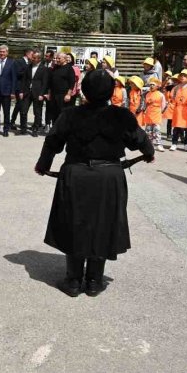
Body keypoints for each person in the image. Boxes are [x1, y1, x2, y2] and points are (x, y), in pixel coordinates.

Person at [35, 70, 156, 297]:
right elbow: (140, 139)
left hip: (76, 174)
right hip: (108, 176)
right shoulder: (121, 115)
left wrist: (43, 165)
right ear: (110, 92)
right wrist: (148, 153)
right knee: (104, 223)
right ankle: (94, 280)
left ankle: (73, 281)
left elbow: (53, 142)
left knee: (74, 222)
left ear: (84, 91)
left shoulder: (70, 115)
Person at [46, 52, 76, 131]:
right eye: (57, 58)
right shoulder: (55, 67)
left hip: (63, 95)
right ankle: (55, 130)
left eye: (59, 58)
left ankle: (63, 130)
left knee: (62, 114)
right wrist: (49, 94)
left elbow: (72, 83)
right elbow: (50, 82)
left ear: (64, 59)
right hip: (54, 95)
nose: (57, 60)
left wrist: (68, 94)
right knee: (54, 113)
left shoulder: (69, 68)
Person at [169, 70, 187, 151]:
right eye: (182, 75)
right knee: (176, 127)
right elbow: (172, 97)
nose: (183, 77)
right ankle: (174, 143)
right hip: (178, 109)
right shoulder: (176, 87)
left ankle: (186, 143)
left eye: (185, 76)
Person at [10, 48, 34, 132]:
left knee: (21, 105)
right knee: (19, 104)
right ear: (27, 54)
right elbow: (17, 73)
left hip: (26, 88)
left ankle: (21, 123)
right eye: (32, 55)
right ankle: (12, 121)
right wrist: (29, 70)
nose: (33, 56)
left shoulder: (30, 63)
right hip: (19, 87)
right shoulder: (18, 62)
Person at [142, 77, 167, 151]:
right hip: (149, 114)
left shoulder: (160, 95)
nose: (151, 86)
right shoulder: (147, 94)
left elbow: (164, 105)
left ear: (157, 86)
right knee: (148, 131)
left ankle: (159, 144)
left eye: (153, 85)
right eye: (150, 85)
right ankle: (149, 144)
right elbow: (145, 104)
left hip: (157, 114)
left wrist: (160, 112)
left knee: (157, 130)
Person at [29, 52, 50, 137]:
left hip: (38, 93)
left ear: (39, 59)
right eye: (32, 57)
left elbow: (45, 83)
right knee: (23, 110)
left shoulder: (44, 69)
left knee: (37, 111)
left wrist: (42, 94)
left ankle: (35, 128)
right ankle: (23, 128)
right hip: (28, 92)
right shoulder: (29, 66)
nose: (32, 59)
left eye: (34, 57)